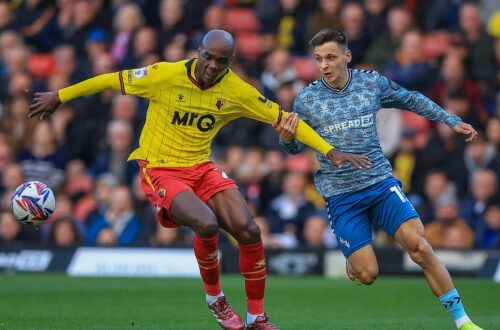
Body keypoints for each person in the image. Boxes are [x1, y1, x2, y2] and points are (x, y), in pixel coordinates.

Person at [28, 29, 365, 330]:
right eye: (209, 57)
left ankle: (257, 319)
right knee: (206, 223)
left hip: (201, 167)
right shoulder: (164, 74)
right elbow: (109, 79)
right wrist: (60, 96)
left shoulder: (236, 90)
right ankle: (215, 299)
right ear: (198, 52)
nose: (213, 66)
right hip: (159, 167)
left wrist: (329, 150)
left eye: (222, 61)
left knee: (249, 229)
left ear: (230, 63)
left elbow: (283, 117)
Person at [273, 28, 483, 330]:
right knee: (368, 274)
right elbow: (293, 148)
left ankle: (463, 321)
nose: (324, 65)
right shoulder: (307, 99)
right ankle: (355, 261)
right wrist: (285, 139)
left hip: (380, 184)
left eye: (331, 57)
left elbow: (411, 100)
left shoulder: (370, 83)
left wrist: (451, 120)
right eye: (318, 59)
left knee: (420, 247)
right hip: (342, 196)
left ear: (347, 56)